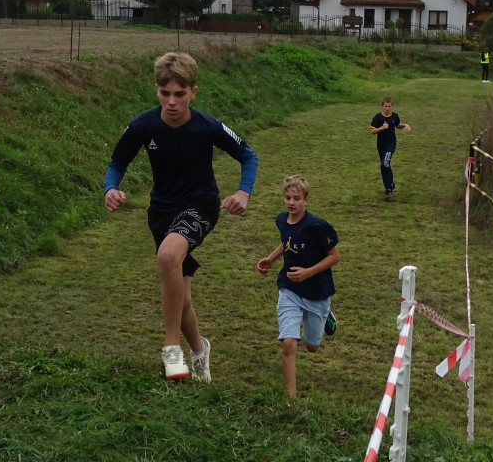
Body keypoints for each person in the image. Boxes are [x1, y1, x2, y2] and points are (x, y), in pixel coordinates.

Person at [104, 51, 258, 382]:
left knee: (167, 256)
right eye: (164, 93)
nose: (171, 101)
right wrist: (110, 189)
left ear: (193, 92)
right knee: (181, 295)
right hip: (161, 210)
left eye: (179, 94)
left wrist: (243, 192)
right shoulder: (143, 124)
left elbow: (248, 155)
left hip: (201, 205)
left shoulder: (208, 126)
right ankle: (200, 349)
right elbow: (117, 162)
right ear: (157, 90)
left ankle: (171, 350)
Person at [256, 175, 341, 398]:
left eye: (296, 198)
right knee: (289, 343)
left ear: (306, 200)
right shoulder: (282, 220)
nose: (291, 202)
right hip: (289, 289)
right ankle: (291, 399)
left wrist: (308, 272)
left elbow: (335, 256)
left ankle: (326, 316)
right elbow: (287, 242)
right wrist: (271, 259)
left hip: (317, 292)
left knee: (312, 347)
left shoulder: (317, 226)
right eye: (287, 198)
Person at [370, 96, 411, 201]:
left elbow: (397, 125)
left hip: (391, 144)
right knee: (384, 166)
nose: (387, 108)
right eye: (385, 106)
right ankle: (390, 185)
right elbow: (373, 131)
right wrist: (382, 128)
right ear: (382, 106)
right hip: (381, 145)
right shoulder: (378, 117)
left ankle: (388, 189)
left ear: (392, 106)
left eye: (389, 106)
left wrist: (405, 125)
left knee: (385, 163)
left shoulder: (395, 116)